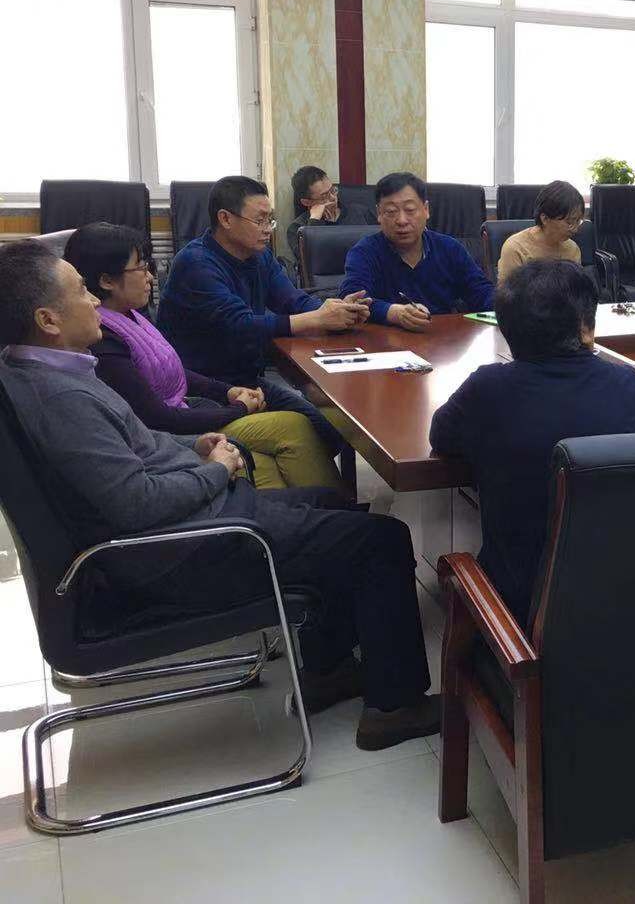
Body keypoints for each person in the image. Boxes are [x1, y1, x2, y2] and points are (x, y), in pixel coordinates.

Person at [0, 241, 438, 750]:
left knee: (332, 505)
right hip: (183, 551)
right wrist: (216, 470)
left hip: (191, 526)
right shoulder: (63, 398)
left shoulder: (47, 372)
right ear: (47, 320)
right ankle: (395, 708)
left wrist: (193, 446)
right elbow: (137, 504)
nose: (94, 301)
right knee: (381, 539)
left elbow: (134, 445)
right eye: (81, 291)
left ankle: (329, 668)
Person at [430, 259, 635, 619]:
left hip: (522, 614)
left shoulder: (488, 389)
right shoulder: (627, 384)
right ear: (586, 329)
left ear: (508, 331)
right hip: (634, 606)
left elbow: (442, 437)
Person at [63, 222, 341, 492]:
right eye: (141, 268)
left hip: (200, 403)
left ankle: (320, 507)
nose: (150, 277)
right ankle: (331, 509)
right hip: (173, 437)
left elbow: (172, 369)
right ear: (107, 281)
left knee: (297, 443)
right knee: (295, 428)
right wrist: (238, 409)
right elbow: (159, 418)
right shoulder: (103, 339)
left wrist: (227, 391)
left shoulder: (131, 315)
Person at [158, 176, 370, 452]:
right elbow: (241, 325)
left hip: (247, 380)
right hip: (205, 389)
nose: (268, 229)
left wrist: (335, 310)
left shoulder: (259, 256)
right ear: (225, 219)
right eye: (260, 221)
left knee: (330, 431)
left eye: (270, 220)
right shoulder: (195, 263)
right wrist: (318, 319)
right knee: (311, 433)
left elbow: (292, 300)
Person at [339, 172, 495, 331]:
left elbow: (481, 291)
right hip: (384, 341)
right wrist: (394, 313)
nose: (402, 220)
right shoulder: (364, 252)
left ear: (426, 210)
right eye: (391, 211)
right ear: (379, 214)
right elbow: (352, 300)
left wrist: (504, 305)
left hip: (441, 338)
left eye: (410, 210)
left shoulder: (449, 248)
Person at [496, 179, 584, 284]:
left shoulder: (573, 249)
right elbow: (506, 292)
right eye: (569, 222)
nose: (575, 229)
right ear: (545, 218)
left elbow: (576, 290)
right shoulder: (516, 248)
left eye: (578, 221)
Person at [284, 165, 375, 259]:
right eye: (324, 196)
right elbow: (309, 260)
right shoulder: (297, 228)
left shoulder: (360, 212)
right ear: (306, 202)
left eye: (333, 190)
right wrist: (314, 221)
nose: (333, 198)